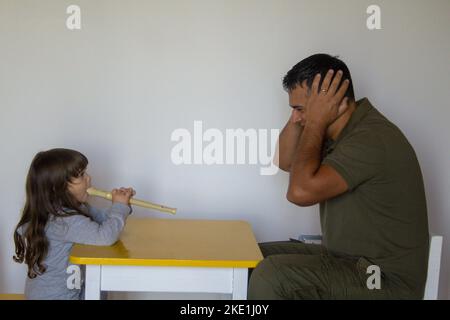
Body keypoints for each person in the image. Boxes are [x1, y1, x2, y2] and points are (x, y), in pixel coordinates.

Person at [248, 54, 429, 299]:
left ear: (330, 100)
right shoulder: (340, 132)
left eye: (300, 109)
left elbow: (299, 193)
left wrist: (316, 121)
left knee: (272, 276)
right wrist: (304, 117)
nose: (298, 117)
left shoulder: (370, 138)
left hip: (383, 280)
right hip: (346, 260)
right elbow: (285, 160)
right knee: (249, 259)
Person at [13, 148, 135, 300]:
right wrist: (119, 207)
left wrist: (122, 205)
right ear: (57, 188)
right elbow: (106, 236)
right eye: (81, 175)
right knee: (99, 285)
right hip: (57, 297)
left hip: (61, 292)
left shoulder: (71, 210)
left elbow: (103, 220)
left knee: (99, 286)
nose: (88, 178)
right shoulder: (63, 221)